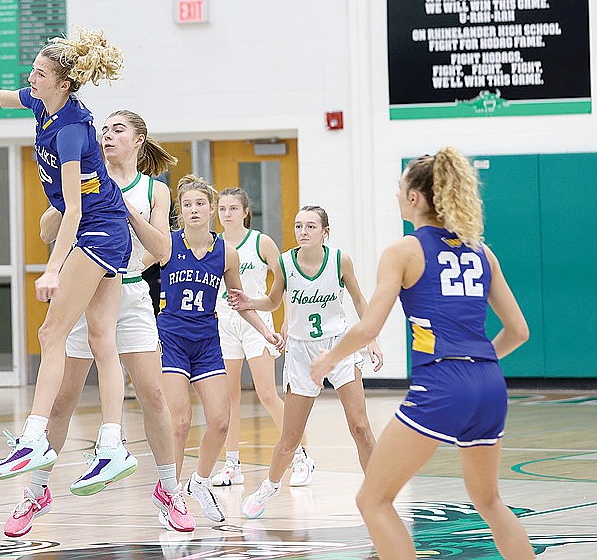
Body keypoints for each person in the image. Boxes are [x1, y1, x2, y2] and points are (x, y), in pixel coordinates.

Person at [0, 28, 135, 486]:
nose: (30, 77)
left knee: (50, 331)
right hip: (104, 227)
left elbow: (73, 210)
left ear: (62, 83)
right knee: (100, 339)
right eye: (32, 71)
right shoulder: (42, 103)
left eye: (38, 73)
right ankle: (113, 446)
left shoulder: (73, 130)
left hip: (98, 229)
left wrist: (53, 269)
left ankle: (34, 436)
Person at [309, 148, 534, 560]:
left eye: (399, 189)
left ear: (415, 197)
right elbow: (518, 331)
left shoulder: (404, 250)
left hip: (443, 383)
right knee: (489, 502)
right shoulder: (482, 251)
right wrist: (478, 368)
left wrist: (328, 359)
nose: (396, 196)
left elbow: (368, 327)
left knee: (373, 500)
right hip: (489, 383)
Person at [5, 110, 195, 537]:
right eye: (103, 130)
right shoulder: (87, 172)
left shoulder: (154, 189)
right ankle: (35, 492)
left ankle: (170, 489)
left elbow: (163, 250)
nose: (107, 136)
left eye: (117, 130)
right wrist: (70, 203)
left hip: (128, 295)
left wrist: (126, 212)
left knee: (154, 396)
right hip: (82, 289)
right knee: (62, 400)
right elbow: (46, 230)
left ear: (139, 139)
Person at [233, 205, 383, 519]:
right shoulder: (286, 263)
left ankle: (377, 494)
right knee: (290, 438)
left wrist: (371, 339)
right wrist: (251, 301)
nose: (303, 231)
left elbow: (358, 299)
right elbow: (273, 301)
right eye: (299, 226)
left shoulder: (340, 260)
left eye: (311, 226)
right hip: (301, 353)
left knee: (360, 427)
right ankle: (269, 487)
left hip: (339, 348)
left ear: (324, 232)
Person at [158, 175, 281, 524]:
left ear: (211, 209)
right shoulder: (167, 244)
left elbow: (238, 300)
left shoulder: (227, 252)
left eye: (200, 203)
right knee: (180, 421)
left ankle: (199, 482)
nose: (193, 209)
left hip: (208, 340)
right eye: (186, 205)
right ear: (179, 212)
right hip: (172, 338)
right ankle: (172, 493)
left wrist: (265, 332)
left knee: (221, 421)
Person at [209, 188, 315, 488]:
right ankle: (231, 465)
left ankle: (300, 457)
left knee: (268, 395)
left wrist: (287, 321)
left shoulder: (261, 242)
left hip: (256, 321)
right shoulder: (214, 244)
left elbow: (288, 282)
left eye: (232, 208)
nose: (226, 213)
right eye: (222, 208)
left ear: (245, 212)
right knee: (229, 398)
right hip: (224, 324)